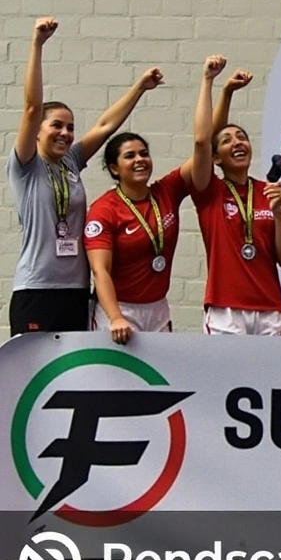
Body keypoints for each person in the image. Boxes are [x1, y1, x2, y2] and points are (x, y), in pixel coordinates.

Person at [8, 18, 161, 336]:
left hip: (75, 290)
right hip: (36, 288)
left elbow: (106, 126)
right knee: (34, 379)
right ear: (37, 131)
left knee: (73, 376)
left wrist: (140, 88)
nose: (65, 133)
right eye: (56, 126)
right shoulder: (26, 165)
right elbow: (31, 107)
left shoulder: (72, 162)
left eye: (70, 127)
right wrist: (37, 44)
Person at [86, 57, 212, 345]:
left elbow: (204, 143)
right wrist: (115, 316)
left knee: (156, 387)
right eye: (130, 156)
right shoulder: (104, 210)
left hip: (158, 309)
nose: (140, 160)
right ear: (114, 169)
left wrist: (210, 83)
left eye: (144, 153)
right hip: (117, 310)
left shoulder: (166, 191)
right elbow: (99, 270)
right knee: (112, 385)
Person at [190, 64, 281, 335]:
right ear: (216, 158)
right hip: (226, 310)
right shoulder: (208, 190)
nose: (237, 143)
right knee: (226, 379)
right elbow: (203, 140)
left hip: (270, 309)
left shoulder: (269, 191)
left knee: (273, 379)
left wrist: (278, 214)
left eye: (242, 138)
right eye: (227, 140)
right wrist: (214, 85)